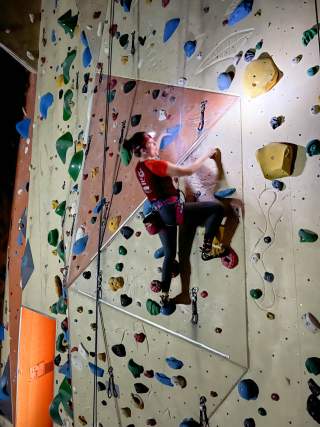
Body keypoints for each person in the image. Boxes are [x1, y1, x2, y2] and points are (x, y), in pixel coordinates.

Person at [123, 132, 227, 302]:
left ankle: (165, 293)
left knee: (170, 254)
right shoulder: (155, 164)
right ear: (143, 149)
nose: (155, 145)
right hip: (171, 212)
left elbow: (156, 187)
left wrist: (172, 185)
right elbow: (189, 170)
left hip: (159, 214)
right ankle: (207, 249)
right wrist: (206, 155)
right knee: (216, 209)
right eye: (151, 142)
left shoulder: (139, 168)